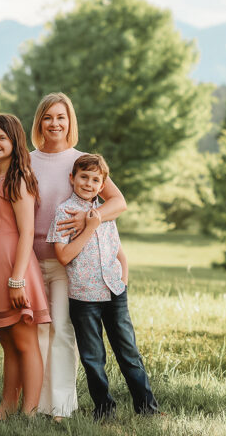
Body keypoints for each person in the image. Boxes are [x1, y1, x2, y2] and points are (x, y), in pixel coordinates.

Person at [29, 93, 127, 420]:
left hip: (64, 263)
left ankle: (60, 407)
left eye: (61, 117)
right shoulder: (27, 161)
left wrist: (90, 219)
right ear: (39, 122)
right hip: (28, 260)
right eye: (48, 117)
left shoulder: (82, 161)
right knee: (33, 332)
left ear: (70, 121)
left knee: (60, 330)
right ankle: (33, 403)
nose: (55, 123)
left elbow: (117, 202)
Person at [48, 153, 160, 419]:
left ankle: (147, 408)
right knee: (93, 358)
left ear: (102, 185)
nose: (88, 183)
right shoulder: (64, 212)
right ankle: (104, 409)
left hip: (114, 291)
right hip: (84, 296)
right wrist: (89, 226)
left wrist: (124, 276)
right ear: (72, 178)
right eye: (83, 177)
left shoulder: (105, 211)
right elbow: (63, 256)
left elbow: (117, 248)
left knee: (128, 352)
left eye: (95, 180)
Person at [0, 114, 51, 418]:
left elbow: (27, 231)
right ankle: (7, 406)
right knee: (7, 340)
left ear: (15, 141)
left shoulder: (19, 178)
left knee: (25, 341)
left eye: (2, 138)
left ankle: (29, 412)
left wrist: (17, 280)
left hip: (15, 268)